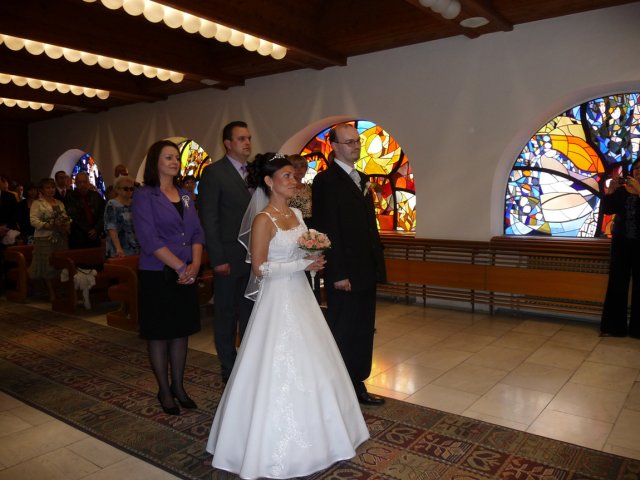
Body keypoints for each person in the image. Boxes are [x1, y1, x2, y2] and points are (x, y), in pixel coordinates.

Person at [206, 153, 369, 479]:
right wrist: (301, 265)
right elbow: (259, 268)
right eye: (286, 176)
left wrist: (313, 257)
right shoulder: (263, 219)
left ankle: (327, 437)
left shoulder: (295, 214)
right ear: (269, 182)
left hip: (300, 295)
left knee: (315, 361)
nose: (294, 181)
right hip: (277, 299)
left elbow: (302, 249)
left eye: (294, 176)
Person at [312, 123, 387, 405]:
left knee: (363, 329)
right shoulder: (326, 181)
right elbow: (328, 229)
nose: (355, 146)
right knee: (344, 329)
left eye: (357, 141)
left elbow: (369, 226)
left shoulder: (362, 178)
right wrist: (337, 273)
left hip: (366, 269)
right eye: (349, 142)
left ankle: (357, 382)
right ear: (334, 146)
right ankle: (339, 387)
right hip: (345, 272)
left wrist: (378, 265)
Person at [132, 140, 205, 415]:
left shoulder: (185, 195)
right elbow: (149, 239)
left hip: (186, 271)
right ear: (156, 162)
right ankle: (164, 389)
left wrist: (195, 264)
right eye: (168, 157)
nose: (175, 161)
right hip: (158, 273)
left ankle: (179, 386)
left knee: (180, 331)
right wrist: (181, 268)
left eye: (176, 157)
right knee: (160, 333)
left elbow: (197, 232)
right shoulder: (145, 195)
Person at [198, 121, 254, 382]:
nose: (247, 143)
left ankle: (248, 361)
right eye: (241, 139)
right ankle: (228, 365)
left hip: (253, 256)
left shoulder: (253, 173)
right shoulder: (214, 173)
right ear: (228, 143)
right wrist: (217, 258)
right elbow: (209, 219)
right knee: (226, 313)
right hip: (228, 257)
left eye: (249, 138)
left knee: (250, 312)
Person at [600, 163, 640, 338]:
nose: (639, 171)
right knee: (617, 284)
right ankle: (614, 328)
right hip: (621, 243)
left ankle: (638, 330)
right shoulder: (623, 191)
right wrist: (611, 191)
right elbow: (608, 210)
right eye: (637, 168)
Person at [29, 178, 70, 301]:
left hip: (60, 237)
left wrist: (65, 224)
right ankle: (52, 293)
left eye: (52, 187)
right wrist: (48, 225)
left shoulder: (59, 203)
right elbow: (33, 220)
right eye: (47, 188)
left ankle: (61, 290)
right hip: (45, 238)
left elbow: (65, 217)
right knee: (48, 266)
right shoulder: (37, 203)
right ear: (42, 190)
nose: (51, 190)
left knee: (60, 264)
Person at [64, 171, 106, 249]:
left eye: (84, 182)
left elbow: (103, 213)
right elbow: (74, 216)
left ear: (88, 183)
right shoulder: (70, 197)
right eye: (80, 182)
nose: (82, 184)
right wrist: (89, 230)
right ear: (76, 183)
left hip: (96, 235)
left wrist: (97, 229)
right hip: (77, 237)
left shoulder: (96, 196)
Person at [104, 175, 139, 258]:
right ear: (118, 189)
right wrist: (118, 248)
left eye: (131, 189)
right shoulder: (112, 204)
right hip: (120, 246)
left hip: (135, 245)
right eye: (126, 189)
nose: (129, 191)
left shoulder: (135, 203)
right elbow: (111, 227)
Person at [287, 154, 312, 220]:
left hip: (311, 223)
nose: (299, 169)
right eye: (295, 167)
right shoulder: (285, 188)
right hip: (292, 222)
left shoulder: (310, 188)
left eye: (302, 166)